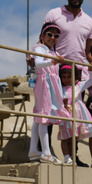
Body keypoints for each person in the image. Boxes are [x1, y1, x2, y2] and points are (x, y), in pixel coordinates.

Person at [29, 22, 64, 164]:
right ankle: (46, 153)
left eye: (56, 36)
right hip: (44, 84)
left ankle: (33, 150)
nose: (52, 38)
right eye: (49, 34)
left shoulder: (52, 52)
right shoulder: (40, 48)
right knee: (44, 117)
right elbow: (38, 63)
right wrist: (53, 62)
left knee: (39, 118)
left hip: (51, 84)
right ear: (42, 36)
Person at [44, 0, 92, 67]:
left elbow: (88, 52)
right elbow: (43, 41)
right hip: (56, 68)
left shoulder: (89, 21)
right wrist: (33, 56)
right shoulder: (54, 14)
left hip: (79, 72)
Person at [56, 64, 92, 165]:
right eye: (64, 77)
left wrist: (90, 70)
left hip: (79, 113)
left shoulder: (78, 86)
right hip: (66, 114)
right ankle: (67, 158)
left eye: (69, 76)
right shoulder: (59, 88)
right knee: (65, 137)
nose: (67, 79)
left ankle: (87, 158)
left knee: (78, 136)